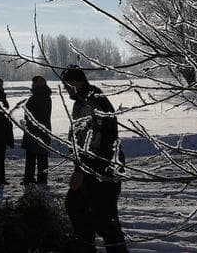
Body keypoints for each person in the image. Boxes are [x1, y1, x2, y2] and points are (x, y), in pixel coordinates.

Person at [62, 66, 128, 253]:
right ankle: (86, 247)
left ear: (77, 82)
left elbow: (94, 141)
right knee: (78, 208)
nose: (65, 88)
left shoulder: (92, 102)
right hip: (96, 166)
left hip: (102, 168)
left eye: (66, 84)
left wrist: (81, 171)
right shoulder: (85, 99)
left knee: (105, 220)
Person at [22, 75, 53, 186]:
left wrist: (28, 124)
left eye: (33, 83)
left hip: (34, 130)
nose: (32, 85)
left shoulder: (36, 98)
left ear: (36, 84)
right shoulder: (45, 97)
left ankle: (30, 179)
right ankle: (41, 179)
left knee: (32, 157)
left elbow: (31, 115)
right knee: (42, 157)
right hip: (43, 130)